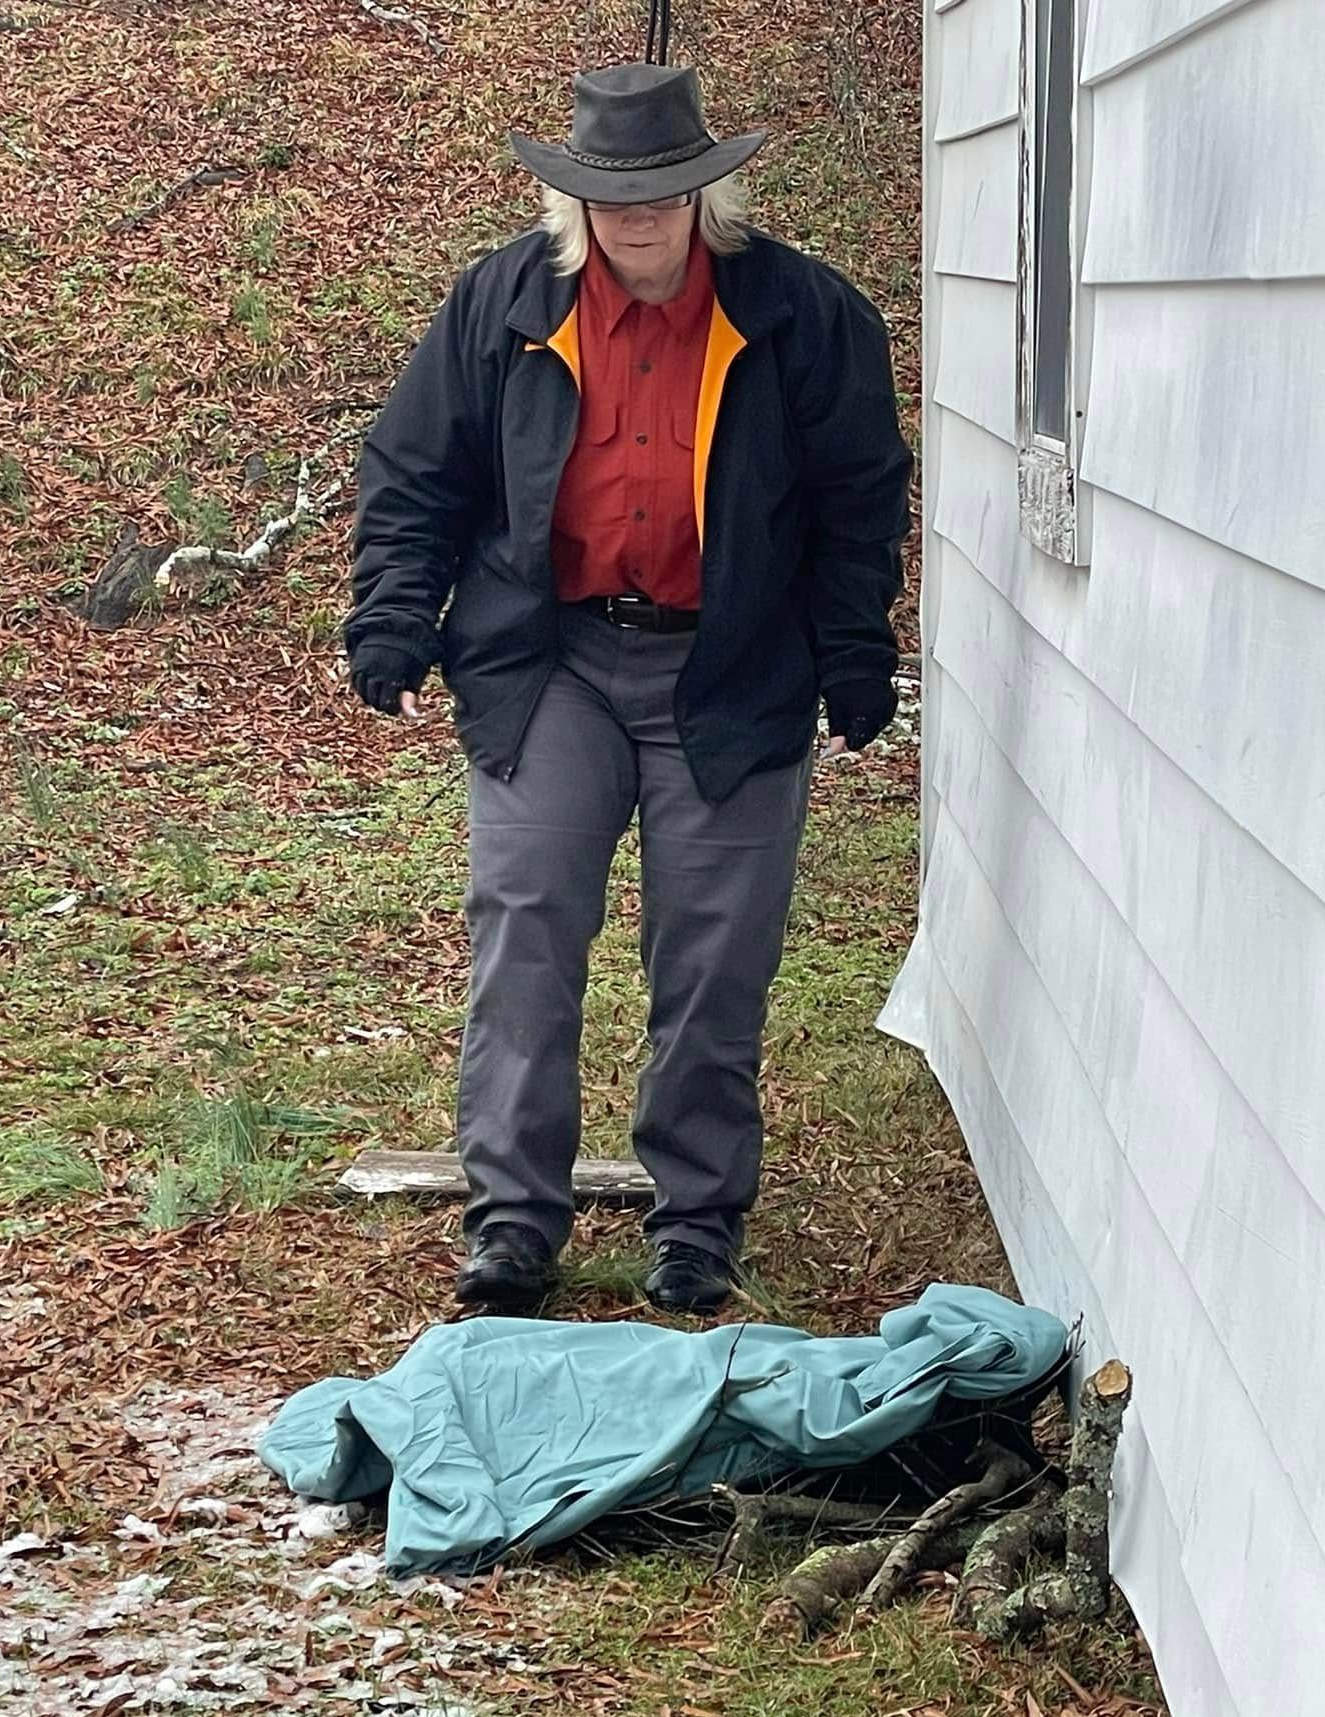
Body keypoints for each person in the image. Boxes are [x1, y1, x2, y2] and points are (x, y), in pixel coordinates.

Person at [345, 61, 912, 1316]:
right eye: (613, 195)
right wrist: (394, 618)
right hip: (552, 660)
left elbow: (860, 498)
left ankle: (697, 1222)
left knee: (714, 954)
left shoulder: (805, 315)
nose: (639, 215)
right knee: (527, 925)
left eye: (664, 190)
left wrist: (852, 648)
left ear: (707, 192)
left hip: (734, 666)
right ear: (574, 201)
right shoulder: (502, 304)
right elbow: (417, 473)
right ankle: (511, 1223)